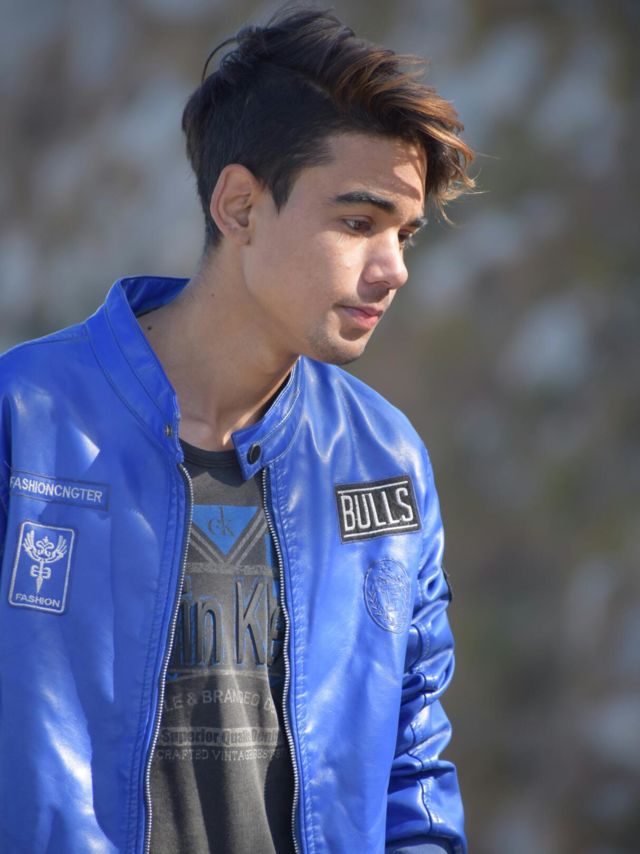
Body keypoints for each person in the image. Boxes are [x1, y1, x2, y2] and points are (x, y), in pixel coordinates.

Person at [0, 6, 474, 853]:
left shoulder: (385, 458)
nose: (395, 268)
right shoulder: (25, 418)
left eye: (404, 234)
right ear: (240, 206)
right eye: (358, 222)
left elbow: (412, 762)